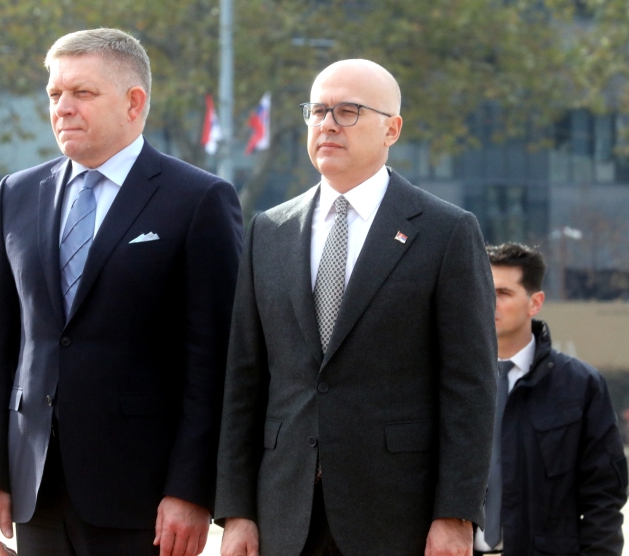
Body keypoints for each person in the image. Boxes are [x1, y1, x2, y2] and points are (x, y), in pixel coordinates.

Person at [0, 28, 243, 556]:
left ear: (134, 102)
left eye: (82, 94)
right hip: (36, 491)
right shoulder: (18, 193)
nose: (63, 108)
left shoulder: (199, 199)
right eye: (55, 95)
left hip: (143, 497)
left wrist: (191, 489)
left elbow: (215, 362)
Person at [215, 59, 498, 556]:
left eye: (348, 111)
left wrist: (455, 515)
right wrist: (237, 510)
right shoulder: (269, 230)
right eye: (318, 110)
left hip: (397, 515)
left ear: (392, 129)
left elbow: (469, 386)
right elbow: (245, 379)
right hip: (284, 512)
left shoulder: (446, 231)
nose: (327, 123)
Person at [479, 243, 627, 556]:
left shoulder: (579, 385)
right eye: (481, 289)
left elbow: (604, 495)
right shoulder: (446, 381)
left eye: (503, 293)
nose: (488, 301)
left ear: (535, 303)